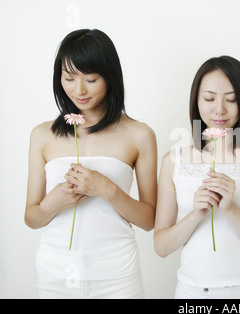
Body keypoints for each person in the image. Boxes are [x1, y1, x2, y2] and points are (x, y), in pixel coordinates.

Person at [25, 29, 157, 298]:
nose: (79, 90)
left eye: (91, 79)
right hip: (55, 274)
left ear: (110, 77)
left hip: (117, 275)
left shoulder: (139, 134)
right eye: (69, 78)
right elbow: (31, 218)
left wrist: (106, 189)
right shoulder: (42, 135)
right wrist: (53, 204)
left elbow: (149, 219)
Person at [154, 56, 240, 298]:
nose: (220, 110)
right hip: (193, 293)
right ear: (196, 101)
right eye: (209, 98)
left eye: (231, 99)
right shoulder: (174, 161)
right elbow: (161, 247)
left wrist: (231, 210)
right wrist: (196, 214)